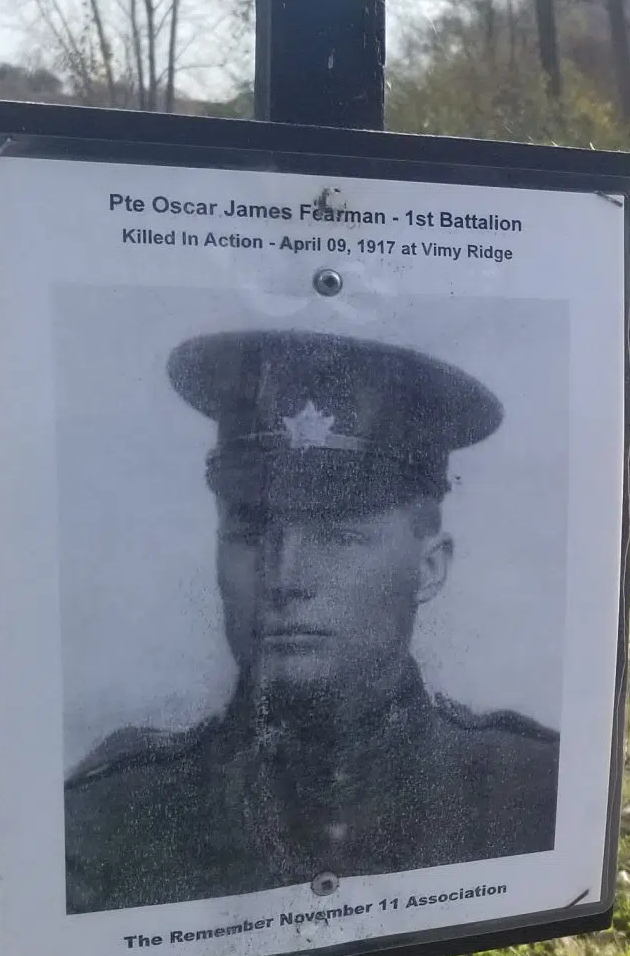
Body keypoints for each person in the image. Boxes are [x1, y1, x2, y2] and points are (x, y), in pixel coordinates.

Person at [64, 330, 560, 914]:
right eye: (250, 532)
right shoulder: (115, 816)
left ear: (428, 569)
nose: (284, 574)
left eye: (336, 534)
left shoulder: (527, 791)